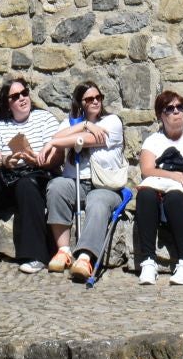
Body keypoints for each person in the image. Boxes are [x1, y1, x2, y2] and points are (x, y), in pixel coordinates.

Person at [0, 77, 62, 272]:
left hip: (38, 172)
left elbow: (57, 155)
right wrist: (6, 161)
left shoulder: (44, 118)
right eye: (15, 96)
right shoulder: (1, 126)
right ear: (7, 103)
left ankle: (35, 255)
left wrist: (38, 159)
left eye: (24, 93)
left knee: (27, 184)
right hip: (8, 174)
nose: (22, 98)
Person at [44, 81, 126, 280]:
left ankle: (85, 257)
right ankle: (63, 250)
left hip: (104, 185)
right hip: (76, 181)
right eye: (89, 99)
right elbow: (57, 135)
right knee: (56, 187)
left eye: (98, 97)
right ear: (80, 103)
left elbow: (86, 140)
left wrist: (56, 141)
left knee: (97, 201)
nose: (95, 101)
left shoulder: (111, 121)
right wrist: (83, 124)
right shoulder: (72, 122)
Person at [133, 91, 183, 285]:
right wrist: (174, 176)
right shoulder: (153, 141)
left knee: (175, 196)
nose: (176, 112)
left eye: (180, 107)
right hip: (161, 189)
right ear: (161, 115)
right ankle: (148, 261)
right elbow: (147, 170)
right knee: (145, 195)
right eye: (170, 108)